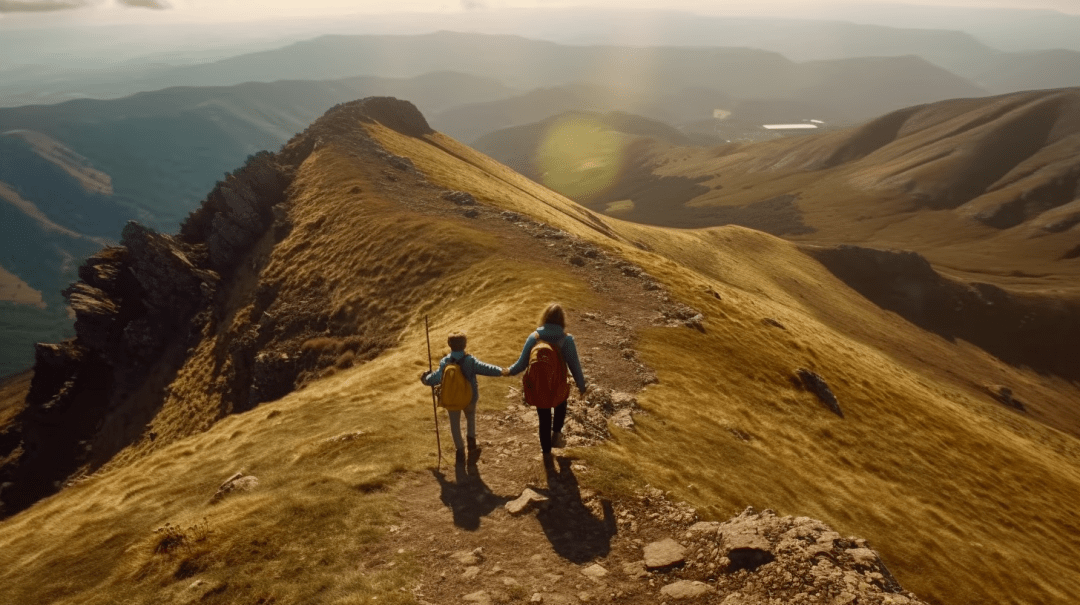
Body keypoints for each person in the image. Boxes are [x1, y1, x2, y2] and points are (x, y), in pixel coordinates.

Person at [505, 303, 586, 458]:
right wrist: (582, 386)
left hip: (539, 384)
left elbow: (522, 363)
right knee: (561, 404)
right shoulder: (566, 339)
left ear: (545, 317)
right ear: (562, 320)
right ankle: (556, 434)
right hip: (559, 384)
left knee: (544, 417)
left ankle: (546, 453)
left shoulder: (534, 337)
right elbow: (575, 366)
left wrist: (508, 371)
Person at [421, 331, 504, 464]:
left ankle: (460, 453)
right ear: (465, 344)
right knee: (470, 421)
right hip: (470, 398)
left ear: (449, 344)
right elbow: (486, 368)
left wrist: (425, 379)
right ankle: (472, 449)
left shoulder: (445, 361)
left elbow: (436, 378)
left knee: (455, 425)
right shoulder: (470, 360)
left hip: (451, 398)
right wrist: (501, 371)